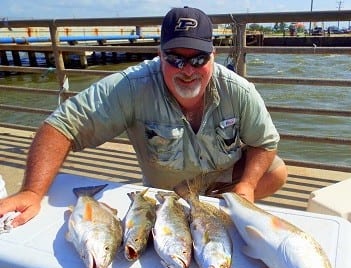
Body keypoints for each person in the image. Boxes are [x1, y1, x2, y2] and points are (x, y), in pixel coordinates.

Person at [0, 7, 287, 227]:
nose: (188, 70)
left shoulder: (239, 90)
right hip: (166, 191)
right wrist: (32, 192)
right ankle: (189, 204)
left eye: (198, 59)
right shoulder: (132, 86)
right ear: (159, 54)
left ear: (213, 54)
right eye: (176, 58)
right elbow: (60, 127)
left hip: (219, 177)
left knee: (276, 172)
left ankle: (210, 201)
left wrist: (247, 185)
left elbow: (264, 141)